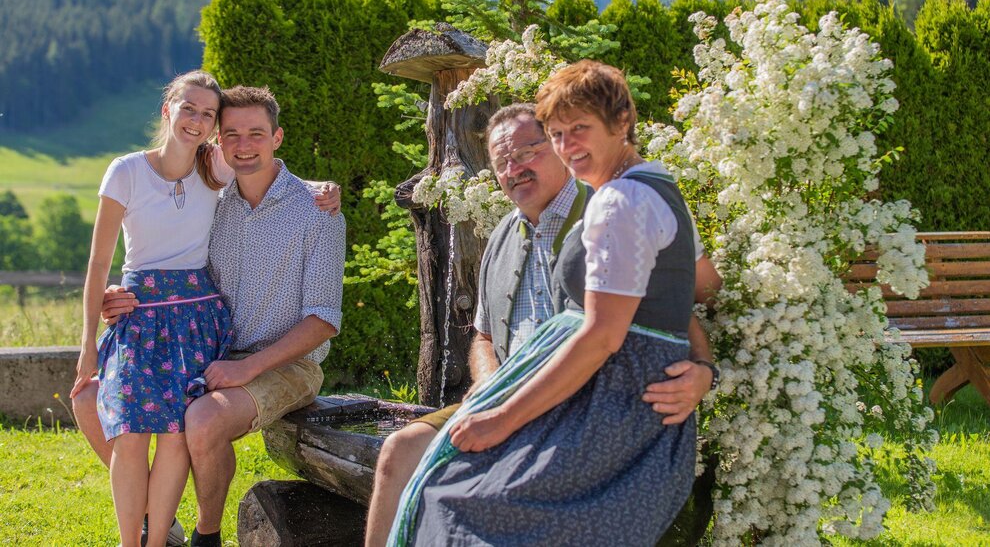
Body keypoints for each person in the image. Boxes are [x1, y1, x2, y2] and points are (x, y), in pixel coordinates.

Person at [369, 100, 719, 546]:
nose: (513, 169)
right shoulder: (498, 237)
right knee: (398, 451)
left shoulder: (608, 210)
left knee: (485, 500)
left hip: (582, 403)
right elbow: (483, 336)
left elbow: (672, 306)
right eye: (501, 163)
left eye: (526, 152)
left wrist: (703, 369)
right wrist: (489, 382)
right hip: (505, 396)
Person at [72, 84, 346, 547]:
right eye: (232, 134)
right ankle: (155, 519)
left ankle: (206, 535)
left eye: (256, 134)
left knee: (200, 419)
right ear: (218, 141)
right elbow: (163, 242)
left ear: (277, 138)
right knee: (88, 401)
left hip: (287, 364)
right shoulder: (215, 198)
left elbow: (323, 320)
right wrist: (117, 293)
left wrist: (246, 367)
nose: (243, 144)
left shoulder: (317, 211)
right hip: (208, 348)